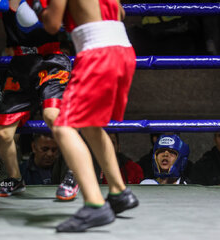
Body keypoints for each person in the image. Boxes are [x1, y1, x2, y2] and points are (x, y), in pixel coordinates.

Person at [29, 0, 139, 232]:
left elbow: (52, 24)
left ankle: (95, 204)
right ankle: (119, 192)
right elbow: (121, 11)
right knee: (91, 125)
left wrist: (36, 5)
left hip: (98, 53)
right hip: (123, 50)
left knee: (62, 126)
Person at [0, 0, 75, 199]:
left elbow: (63, 24)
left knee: (53, 115)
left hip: (51, 61)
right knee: (3, 134)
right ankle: (15, 179)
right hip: (21, 66)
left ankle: (73, 173)